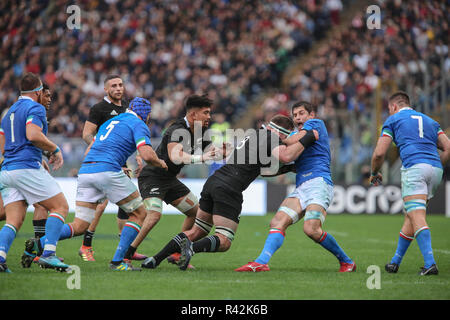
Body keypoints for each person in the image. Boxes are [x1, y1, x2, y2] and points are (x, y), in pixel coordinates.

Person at [142, 114, 315, 270]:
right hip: (229, 187)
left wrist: (289, 169)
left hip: (214, 181)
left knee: (197, 231)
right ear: (280, 132)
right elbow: (285, 156)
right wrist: (308, 137)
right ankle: (191, 248)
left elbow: (263, 170)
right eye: (286, 136)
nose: (286, 140)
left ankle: (155, 259)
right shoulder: (271, 137)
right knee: (224, 240)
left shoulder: (253, 135)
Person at [25, 97, 167, 271]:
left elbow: (93, 146)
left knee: (80, 225)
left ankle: (37, 245)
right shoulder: (138, 123)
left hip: (86, 170)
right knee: (139, 213)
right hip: (107, 170)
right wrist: (160, 163)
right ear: (146, 114)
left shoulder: (113, 121)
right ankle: (118, 262)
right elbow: (147, 155)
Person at [235, 101, 356, 273]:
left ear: (311, 115)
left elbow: (289, 141)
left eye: (301, 113)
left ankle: (347, 262)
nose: (298, 117)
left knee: (311, 229)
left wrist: (275, 136)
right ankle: (261, 262)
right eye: (295, 115)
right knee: (277, 221)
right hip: (301, 187)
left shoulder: (316, 124)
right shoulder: (295, 134)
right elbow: (283, 155)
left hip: (319, 183)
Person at [125, 94, 219, 266]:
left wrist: (226, 150)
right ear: (193, 115)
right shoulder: (176, 129)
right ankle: (127, 253)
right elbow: (176, 156)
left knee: (197, 214)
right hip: (152, 177)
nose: (209, 116)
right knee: (154, 215)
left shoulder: (200, 132)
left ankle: (176, 252)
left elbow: (213, 151)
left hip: (169, 179)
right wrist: (202, 157)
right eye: (206, 112)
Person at [370, 91, 450, 276]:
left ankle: (430, 263)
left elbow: (379, 153)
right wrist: (436, 164)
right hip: (436, 169)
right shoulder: (430, 121)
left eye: (389, 109)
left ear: (394, 107)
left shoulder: (393, 120)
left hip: (414, 168)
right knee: (411, 216)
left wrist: (375, 172)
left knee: (416, 216)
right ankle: (395, 262)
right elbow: (448, 146)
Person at [0, 73, 70, 273]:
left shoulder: (9, 112)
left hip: (7, 170)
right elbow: (32, 134)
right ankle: (48, 255)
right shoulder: (35, 107)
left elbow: (4, 146)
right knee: (60, 206)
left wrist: (38, 154)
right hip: (26, 168)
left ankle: (0, 257)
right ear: (39, 92)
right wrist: (54, 149)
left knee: (14, 220)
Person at [79, 74, 145, 262]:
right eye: (114, 86)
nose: (118, 88)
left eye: (120, 85)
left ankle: (126, 250)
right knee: (101, 205)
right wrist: (102, 152)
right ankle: (86, 246)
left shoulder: (126, 109)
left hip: (119, 164)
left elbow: (131, 136)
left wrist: (138, 154)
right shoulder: (99, 108)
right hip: (103, 164)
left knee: (127, 206)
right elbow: (86, 134)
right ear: (106, 90)